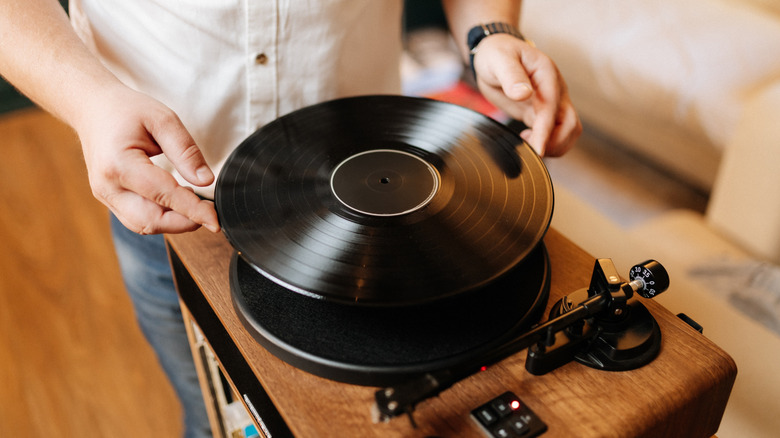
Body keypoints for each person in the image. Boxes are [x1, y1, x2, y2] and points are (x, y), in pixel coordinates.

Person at [0, 1, 581, 436]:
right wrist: (90, 101)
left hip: (390, 204)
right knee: (214, 421)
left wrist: (490, 34)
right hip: (173, 206)